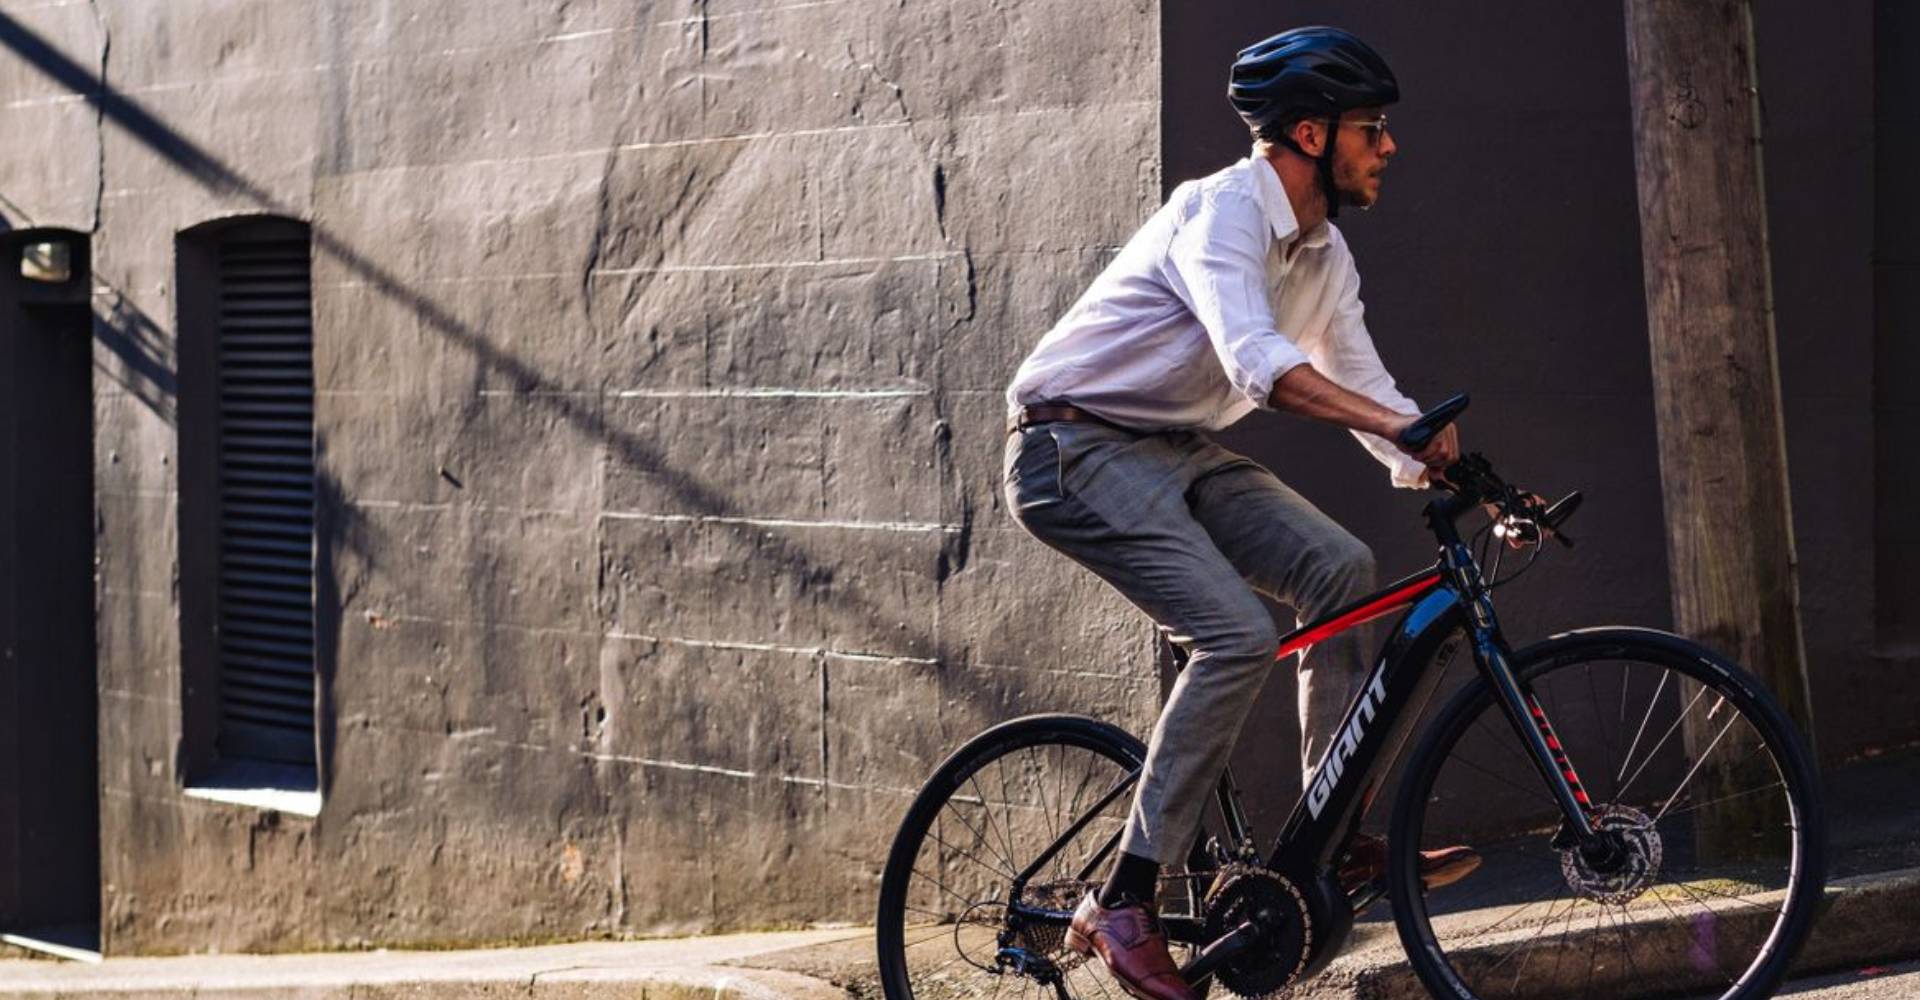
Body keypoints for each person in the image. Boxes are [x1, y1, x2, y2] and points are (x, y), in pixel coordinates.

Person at [1003, 26, 1479, 1000]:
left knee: (1339, 567)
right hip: (1069, 447)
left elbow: (1362, 380)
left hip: (1169, 449)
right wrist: (1398, 423)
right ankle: (1128, 897)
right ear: (1310, 133)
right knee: (1232, 631)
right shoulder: (1218, 214)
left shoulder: (1324, 252)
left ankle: (1324, 836)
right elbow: (1258, 364)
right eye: (1371, 129)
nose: (1387, 148)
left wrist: (1435, 458)